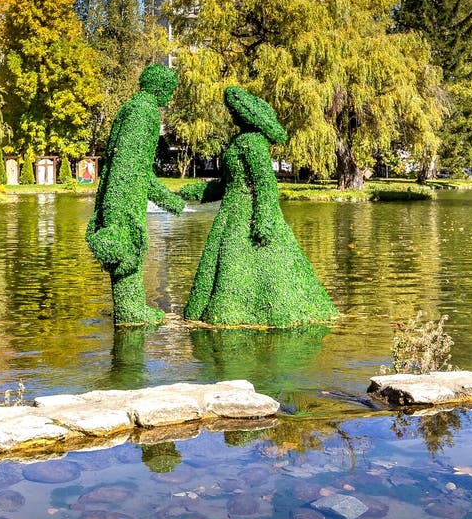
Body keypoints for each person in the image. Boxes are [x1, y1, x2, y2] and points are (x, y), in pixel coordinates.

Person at [181, 85, 337, 327]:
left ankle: (253, 310)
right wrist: (186, 194)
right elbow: (225, 185)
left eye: (234, 112)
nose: (231, 116)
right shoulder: (237, 142)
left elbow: (265, 184)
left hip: (247, 217)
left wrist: (263, 219)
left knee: (248, 264)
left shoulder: (252, 143)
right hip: (230, 216)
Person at [86, 64, 184, 325]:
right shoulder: (145, 112)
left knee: (127, 250)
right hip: (125, 198)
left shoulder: (130, 107)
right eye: (170, 90)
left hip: (119, 194)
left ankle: (129, 309)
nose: (170, 96)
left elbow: (134, 167)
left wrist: (169, 200)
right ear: (160, 87)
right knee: (128, 248)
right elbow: (130, 167)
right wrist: (123, 209)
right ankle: (130, 312)